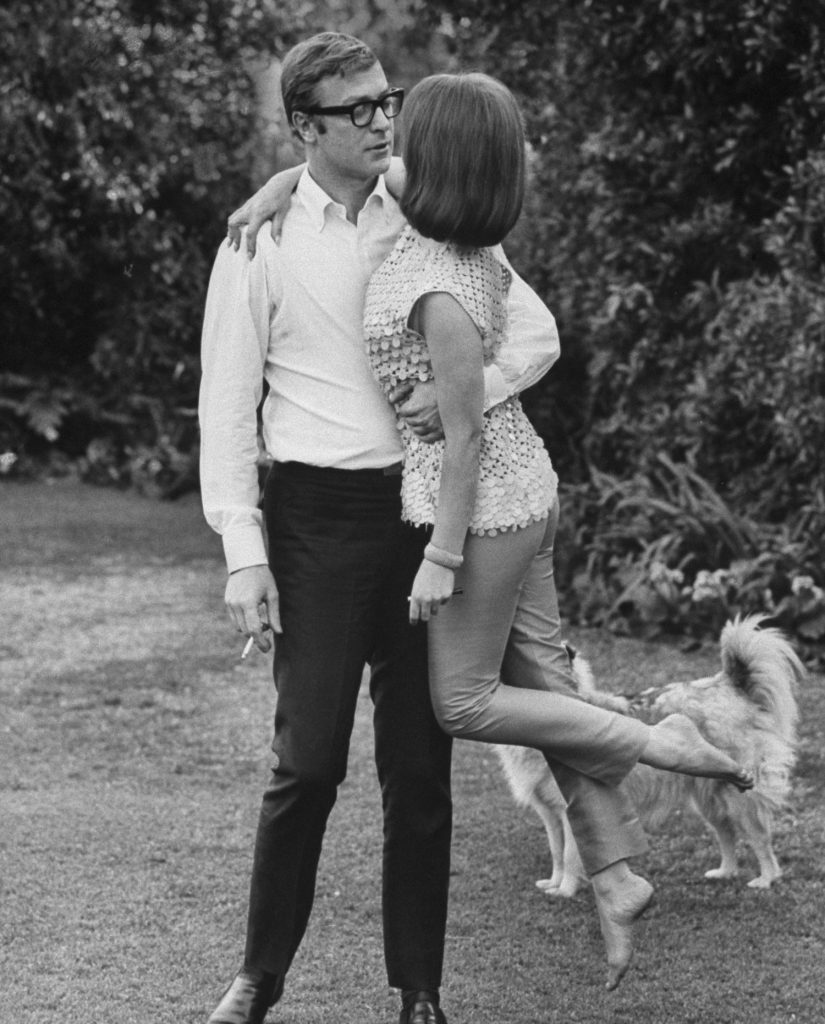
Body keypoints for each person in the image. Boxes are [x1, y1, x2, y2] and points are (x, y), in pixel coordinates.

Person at [356, 70, 755, 994]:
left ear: (439, 159)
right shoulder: (467, 246)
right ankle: (615, 877)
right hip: (524, 491)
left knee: (460, 702)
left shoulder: (438, 289)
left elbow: (458, 440)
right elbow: (362, 184)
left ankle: (655, 741)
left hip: (485, 510)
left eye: (406, 131)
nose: (392, 144)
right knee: (539, 681)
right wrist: (274, 191)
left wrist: (439, 559)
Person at [198, 32, 567, 1024]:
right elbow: (225, 408)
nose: (378, 119)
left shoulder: (431, 213)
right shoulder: (257, 241)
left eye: (384, 100)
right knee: (305, 761)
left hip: (421, 514)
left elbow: (532, 332)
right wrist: (243, 553)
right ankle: (256, 979)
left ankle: (419, 993)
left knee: (421, 768)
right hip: (313, 525)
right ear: (303, 128)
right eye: (354, 109)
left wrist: (463, 399)